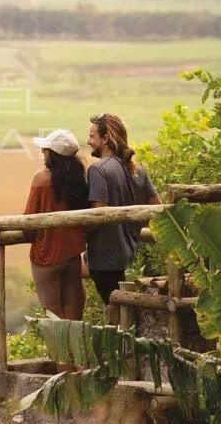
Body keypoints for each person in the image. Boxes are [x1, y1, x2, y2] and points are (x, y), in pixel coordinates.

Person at [84, 113, 160, 305]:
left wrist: (77, 232)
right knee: (121, 308)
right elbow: (157, 207)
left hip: (104, 257)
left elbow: (97, 215)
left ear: (106, 138)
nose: (88, 141)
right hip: (127, 252)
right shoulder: (137, 169)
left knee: (116, 312)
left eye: (92, 136)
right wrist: (134, 228)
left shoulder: (98, 170)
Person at [23, 129, 90, 320]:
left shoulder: (41, 179)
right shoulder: (79, 179)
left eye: (46, 150)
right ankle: (75, 349)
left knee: (53, 313)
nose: (43, 153)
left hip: (47, 255)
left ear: (53, 154)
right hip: (72, 254)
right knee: (73, 312)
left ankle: (58, 350)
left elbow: (29, 220)